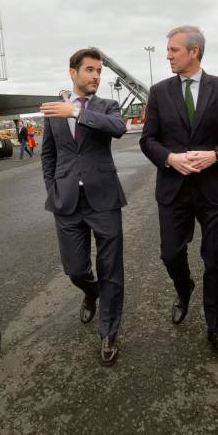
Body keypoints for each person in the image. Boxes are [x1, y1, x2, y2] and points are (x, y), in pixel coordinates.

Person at [140, 25, 218, 363]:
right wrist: (169, 158)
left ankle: (216, 328)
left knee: (215, 259)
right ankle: (184, 287)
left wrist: (215, 155)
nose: (168, 55)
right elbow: (148, 140)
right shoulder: (158, 92)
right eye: (168, 50)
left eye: (173, 50)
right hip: (173, 189)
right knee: (170, 254)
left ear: (194, 52)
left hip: (213, 189)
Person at [39, 48, 127, 366]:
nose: (95, 76)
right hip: (67, 200)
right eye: (89, 70)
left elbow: (117, 128)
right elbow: (49, 155)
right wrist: (53, 187)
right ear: (73, 72)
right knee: (75, 269)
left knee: (111, 268)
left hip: (103, 198)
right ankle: (91, 292)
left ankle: (109, 332)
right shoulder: (54, 110)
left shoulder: (107, 106)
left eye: (98, 71)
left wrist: (75, 112)